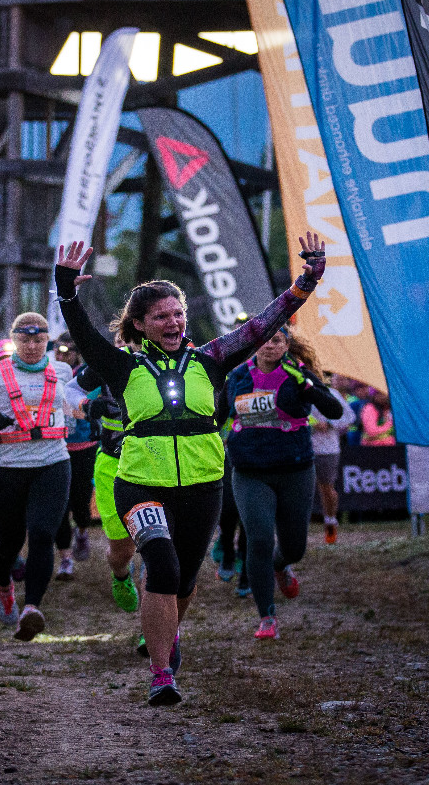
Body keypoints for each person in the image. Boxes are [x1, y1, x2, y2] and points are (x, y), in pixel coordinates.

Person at [54, 232, 326, 705]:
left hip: (203, 485)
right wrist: (66, 291)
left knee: (182, 580)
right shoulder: (122, 367)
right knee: (160, 563)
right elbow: (84, 334)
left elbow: (262, 325)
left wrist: (305, 283)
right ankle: (162, 674)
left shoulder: (213, 359)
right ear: (139, 325)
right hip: (140, 483)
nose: (174, 321)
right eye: (161, 316)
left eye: (178, 313)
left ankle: (168, 632)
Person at [0, 312, 76, 641]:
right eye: (25, 339)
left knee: (41, 534)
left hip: (53, 461)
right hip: (7, 466)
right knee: (8, 540)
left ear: (47, 340)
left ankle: (32, 607)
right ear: (14, 339)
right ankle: (4, 586)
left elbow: (72, 403)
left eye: (39, 340)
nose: (33, 346)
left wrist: (89, 408)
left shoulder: (60, 370)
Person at [224, 326, 342, 640]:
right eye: (263, 340)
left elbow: (336, 411)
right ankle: (266, 617)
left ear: (286, 345)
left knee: (294, 547)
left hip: (295, 470)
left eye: (276, 340)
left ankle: (281, 565)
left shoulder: (298, 374)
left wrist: (308, 387)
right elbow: (213, 416)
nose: (269, 346)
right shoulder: (237, 377)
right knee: (259, 538)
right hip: (250, 471)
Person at [72, 338, 139, 617]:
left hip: (158, 466)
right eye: (121, 340)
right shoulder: (106, 362)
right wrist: (86, 404)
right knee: (122, 550)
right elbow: (71, 388)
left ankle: (156, 627)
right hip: (112, 462)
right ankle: (121, 574)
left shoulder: (174, 358)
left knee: (160, 551)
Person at [53, 332, 96, 578]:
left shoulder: (88, 374)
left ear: (76, 353)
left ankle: (81, 530)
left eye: (67, 351)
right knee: (60, 505)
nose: (62, 355)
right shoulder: (49, 373)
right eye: (58, 351)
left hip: (84, 446)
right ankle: (65, 560)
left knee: (80, 504)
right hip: (56, 447)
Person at [309, 371, 353, 546]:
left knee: (326, 488)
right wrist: (311, 423)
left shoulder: (331, 393)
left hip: (328, 449)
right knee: (301, 490)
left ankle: (330, 521)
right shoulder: (295, 390)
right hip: (303, 448)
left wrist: (328, 424)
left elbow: (349, 417)